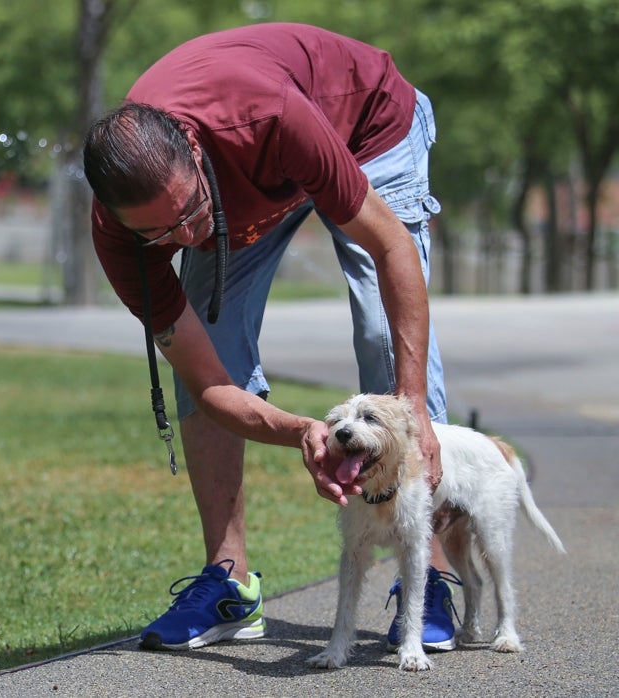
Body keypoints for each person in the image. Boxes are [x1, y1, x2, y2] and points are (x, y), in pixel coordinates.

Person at [82, 22, 459, 652]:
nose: (184, 239)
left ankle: (432, 578)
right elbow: (209, 383)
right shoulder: (123, 237)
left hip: (367, 126)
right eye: (160, 234)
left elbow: (392, 244)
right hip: (252, 174)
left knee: (381, 334)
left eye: (189, 213)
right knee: (214, 337)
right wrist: (299, 431)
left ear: (196, 155)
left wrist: (413, 405)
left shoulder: (269, 119)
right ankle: (227, 584)